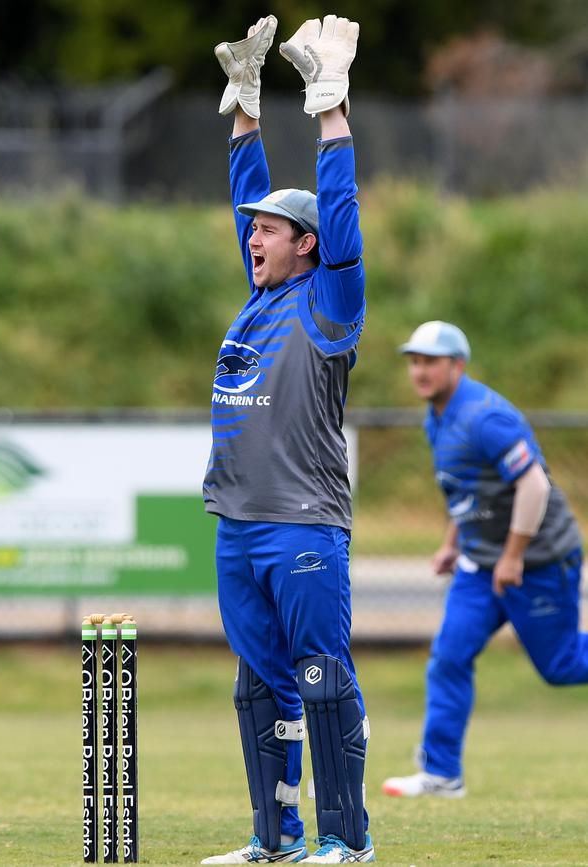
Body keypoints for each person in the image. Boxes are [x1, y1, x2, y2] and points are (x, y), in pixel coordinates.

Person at [201, 13, 375, 865]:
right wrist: (246, 106)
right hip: (237, 523)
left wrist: (330, 112)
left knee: (320, 680)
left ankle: (348, 839)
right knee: (257, 684)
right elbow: (250, 182)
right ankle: (276, 842)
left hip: (301, 523)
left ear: (306, 245)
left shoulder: (327, 303)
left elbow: (338, 218)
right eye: (251, 227)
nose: (252, 236)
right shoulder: (262, 295)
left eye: (267, 229)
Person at [382, 320, 587, 799]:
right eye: (414, 361)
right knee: (449, 657)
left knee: (560, 666)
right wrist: (452, 542)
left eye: (430, 361)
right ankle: (441, 774)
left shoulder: (485, 417)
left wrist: (514, 556)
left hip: (536, 561)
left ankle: (440, 771)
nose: (419, 371)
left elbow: (533, 485)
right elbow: (467, 491)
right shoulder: (436, 414)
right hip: (482, 563)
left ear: (458, 365)